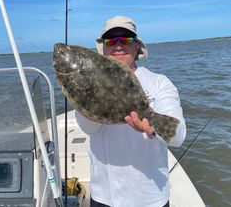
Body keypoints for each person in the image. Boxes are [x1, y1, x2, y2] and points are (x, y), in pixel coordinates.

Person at [75, 16, 186, 207]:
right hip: (104, 196)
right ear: (103, 48)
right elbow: (89, 128)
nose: (118, 45)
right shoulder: (90, 81)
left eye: (126, 39)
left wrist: (152, 128)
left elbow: (178, 135)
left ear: (137, 47)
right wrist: (83, 92)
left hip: (150, 197)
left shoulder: (159, 82)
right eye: (111, 40)